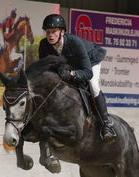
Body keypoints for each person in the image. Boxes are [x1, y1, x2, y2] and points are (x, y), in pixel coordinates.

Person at [39, 14, 117, 142]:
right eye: (48, 32)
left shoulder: (75, 42)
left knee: (93, 86)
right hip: (70, 65)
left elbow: (87, 73)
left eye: (54, 32)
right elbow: (45, 69)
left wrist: (71, 74)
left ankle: (106, 124)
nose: (50, 35)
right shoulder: (44, 45)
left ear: (62, 32)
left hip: (90, 61)